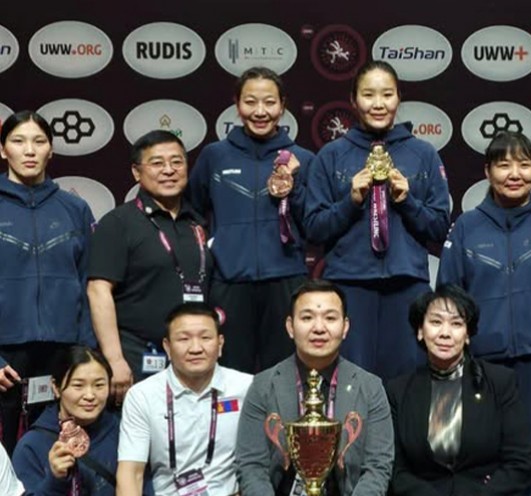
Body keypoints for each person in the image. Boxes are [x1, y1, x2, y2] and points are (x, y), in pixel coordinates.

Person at [436, 131, 531, 491]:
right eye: (504, 165)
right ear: (487, 172)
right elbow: (448, 303)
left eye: (524, 164)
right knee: (486, 464)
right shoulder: (466, 227)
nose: (515, 173)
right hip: (482, 369)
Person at [304, 60, 450, 380]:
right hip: (349, 284)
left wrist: (407, 201)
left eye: (387, 94)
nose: (379, 103)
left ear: (399, 97)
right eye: (369, 94)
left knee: (406, 383)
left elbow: (439, 228)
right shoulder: (331, 155)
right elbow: (314, 228)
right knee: (350, 383)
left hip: (407, 285)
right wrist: (351, 201)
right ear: (354, 100)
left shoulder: (423, 154)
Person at [188, 66, 315, 374]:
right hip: (230, 283)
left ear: (282, 106)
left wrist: (295, 185)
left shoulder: (302, 160)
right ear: (237, 104)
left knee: (285, 375)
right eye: (250, 101)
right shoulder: (214, 156)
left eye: (269, 102)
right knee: (230, 375)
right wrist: (217, 253)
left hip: (286, 281)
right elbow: (192, 213)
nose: (260, 111)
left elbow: (314, 225)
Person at [88, 131, 213, 402]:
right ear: (137, 172)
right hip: (137, 358)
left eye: (177, 162)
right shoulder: (118, 223)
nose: (169, 170)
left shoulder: (197, 223)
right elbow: (98, 290)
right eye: (157, 163)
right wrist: (115, 359)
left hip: (192, 357)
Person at [236, 279, 393, 496]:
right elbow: (251, 466)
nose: (319, 328)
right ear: (290, 327)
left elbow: (378, 467)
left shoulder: (370, 387)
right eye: (307, 318)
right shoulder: (263, 385)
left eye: (330, 318)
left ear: (345, 327)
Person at [0, 110, 95, 452]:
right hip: (5, 357)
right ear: (3, 150)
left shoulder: (75, 209)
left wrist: (85, 353)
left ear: (51, 150)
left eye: (39, 141)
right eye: (18, 141)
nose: (29, 150)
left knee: (58, 456)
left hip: (63, 354)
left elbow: (89, 283)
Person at [388, 285, 531, 495]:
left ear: (467, 334)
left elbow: (520, 463)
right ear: (420, 330)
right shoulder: (398, 391)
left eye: (456, 324)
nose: (445, 333)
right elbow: (396, 469)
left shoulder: (500, 382)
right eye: (436, 322)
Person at [116, 303, 252, 496]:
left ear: (220, 344)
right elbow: (131, 473)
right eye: (184, 339)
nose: (195, 348)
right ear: (167, 347)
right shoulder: (142, 395)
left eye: (205, 338)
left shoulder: (247, 388)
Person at [12, 346, 153, 495]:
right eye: (78, 386)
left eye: (99, 385)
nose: (90, 395)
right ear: (56, 387)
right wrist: (55, 480)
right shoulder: (32, 446)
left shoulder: (126, 432)